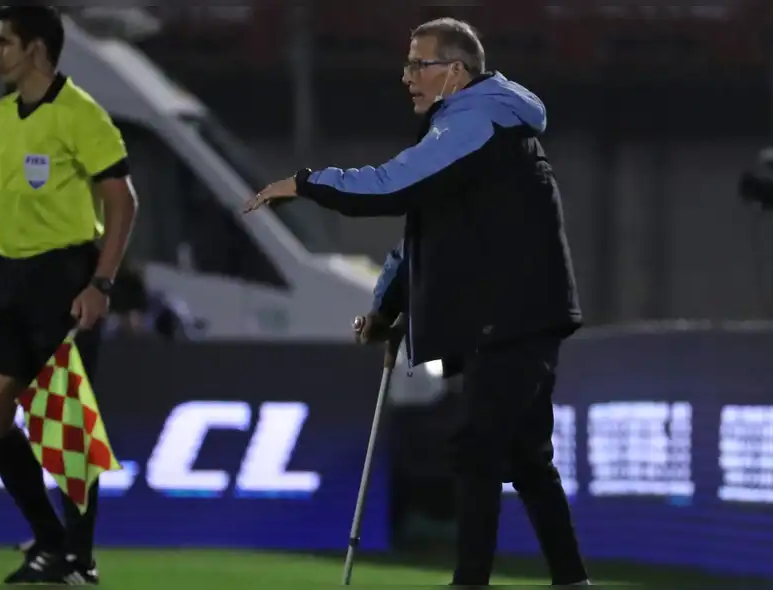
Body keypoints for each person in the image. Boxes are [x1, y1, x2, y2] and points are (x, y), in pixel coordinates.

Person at [243, 18, 589, 587]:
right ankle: (571, 579)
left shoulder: (475, 122)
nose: (406, 77)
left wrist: (305, 183)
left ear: (455, 72)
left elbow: (389, 186)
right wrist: (386, 310)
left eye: (417, 64)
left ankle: (471, 581)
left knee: (479, 448)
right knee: (525, 456)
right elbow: (422, 233)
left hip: (511, 315)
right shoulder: (464, 127)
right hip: (514, 316)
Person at [0, 6, 137, 585]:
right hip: (6, 278)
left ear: (35, 49)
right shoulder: (3, 114)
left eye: (3, 42)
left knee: (64, 423)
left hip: (63, 276)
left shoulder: (81, 114)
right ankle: (49, 538)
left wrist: (100, 283)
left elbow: (123, 201)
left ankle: (77, 558)